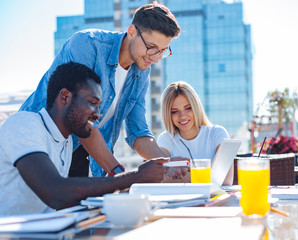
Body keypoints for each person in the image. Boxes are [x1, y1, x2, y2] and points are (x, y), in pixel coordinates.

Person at [19, 1, 181, 177]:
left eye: (163, 51)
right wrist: (119, 174)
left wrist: (173, 166)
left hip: (76, 152)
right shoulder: (87, 45)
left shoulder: (141, 71)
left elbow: (138, 133)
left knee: (80, 204)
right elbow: (79, 118)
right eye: (151, 48)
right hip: (35, 145)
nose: (156, 58)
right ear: (132, 32)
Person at [0, 62, 171, 216]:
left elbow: (69, 198)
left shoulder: (65, 141)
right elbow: (56, 192)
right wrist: (134, 177)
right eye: (92, 102)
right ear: (65, 97)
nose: (97, 114)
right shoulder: (23, 124)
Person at [157, 81, 234, 185]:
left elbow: (225, 180)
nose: (182, 116)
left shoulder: (217, 133)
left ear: (196, 107)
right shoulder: (165, 139)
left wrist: (183, 177)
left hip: (212, 200)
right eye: (174, 111)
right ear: (168, 114)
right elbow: (161, 178)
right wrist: (209, 176)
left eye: (188, 108)